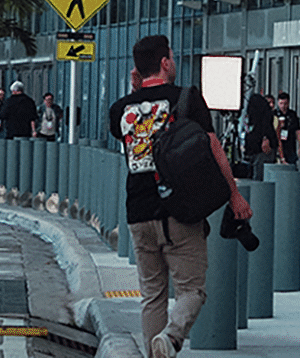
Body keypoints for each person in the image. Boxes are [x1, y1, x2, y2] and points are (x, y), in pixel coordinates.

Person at [108, 34, 251, 358]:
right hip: (180, 209)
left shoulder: (120, 108)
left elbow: (126, 129)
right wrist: (234, 196)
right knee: (192, 290)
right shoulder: (186, 98)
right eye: (171, 56)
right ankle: (171, 338)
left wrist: (135, 91)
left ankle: (155, 351)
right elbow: (215, 149)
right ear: (165, 62)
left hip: (138, 212)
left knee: (152, 295)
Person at [243, 90, 276, 178]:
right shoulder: (264, 116)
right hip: (256, 149)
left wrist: (265, 138)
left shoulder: (260, 119)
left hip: (260, 150)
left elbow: (266, 128)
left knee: (259, 174)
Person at [275, 92, 300, 167]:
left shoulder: (292, 115)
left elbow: (298, 130)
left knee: (291, 165)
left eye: (285, 103)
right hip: (277, 145)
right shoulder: (274, 114)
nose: (283, 106)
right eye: (281, 103)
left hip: (290, 144)